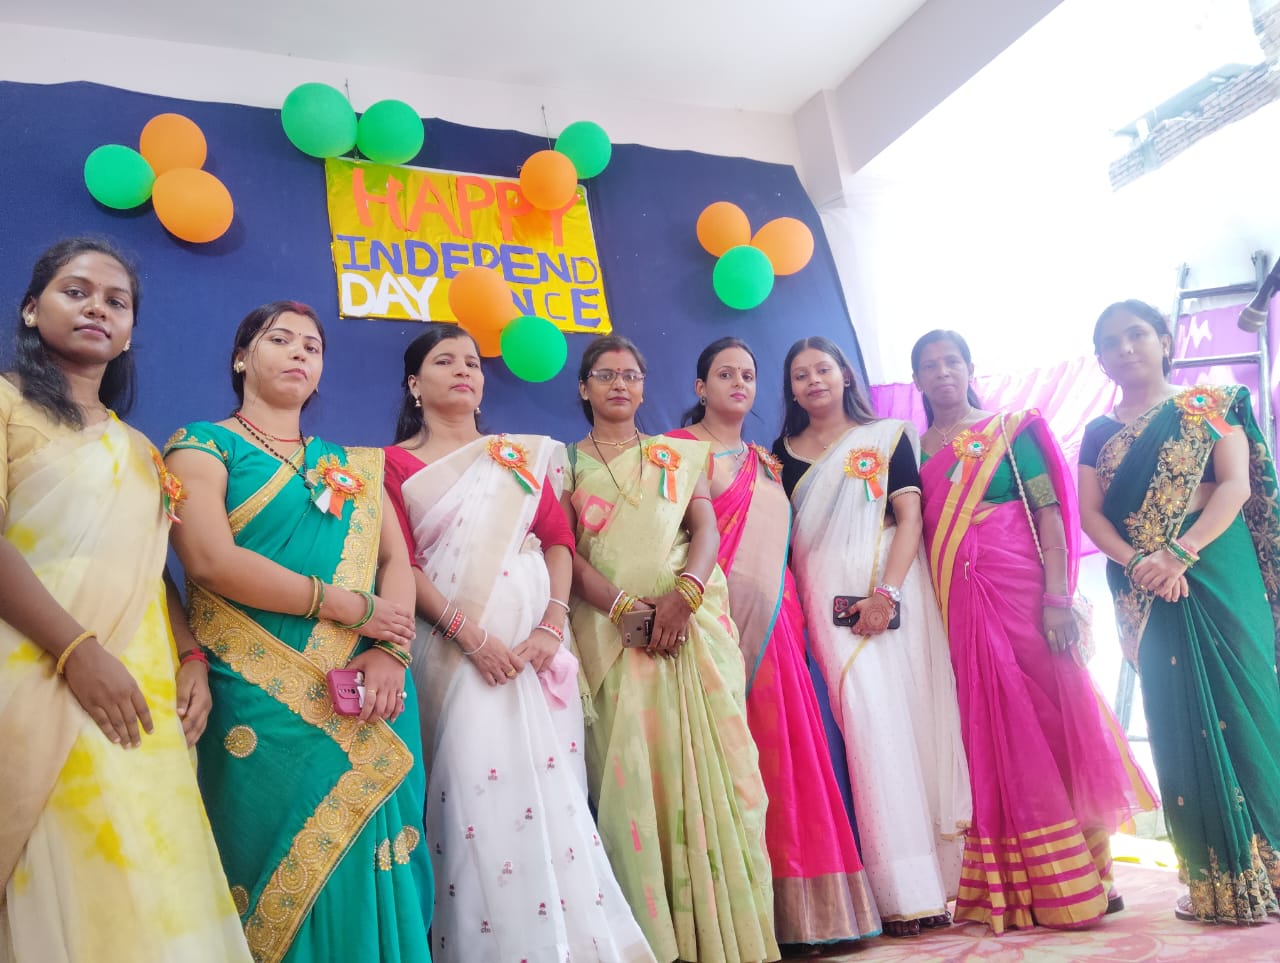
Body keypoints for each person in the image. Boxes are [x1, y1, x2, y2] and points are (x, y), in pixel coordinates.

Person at [0, 237, 250, 961]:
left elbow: (149, 569)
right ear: (31, 309)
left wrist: (191, 655)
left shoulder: (140, 447)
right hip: (37, 670)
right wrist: (77, 653)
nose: (97, 309)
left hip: (138, 689)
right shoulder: (6, 404)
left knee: (151, 873)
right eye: (75, 291)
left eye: (116, 301)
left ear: (131, 331)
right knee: (66, 865)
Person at [165, 301, 434, 962]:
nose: (298, 353)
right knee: (267, 858)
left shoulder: (353, 465)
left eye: (311, 347)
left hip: (367, 691)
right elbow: (208, 559)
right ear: (241, 357)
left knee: (378, 860)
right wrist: (345, 606)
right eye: (279, 339)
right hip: (257, 694)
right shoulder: (203, 445)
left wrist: (392, 651)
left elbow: (398, 563)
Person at [382, 324, 654, 962]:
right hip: (455, 658)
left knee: (553, 796)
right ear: (414, 384)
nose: (464, 371)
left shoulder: (519, 456)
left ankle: (570, 945)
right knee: (475, 800)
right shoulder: (390, 466)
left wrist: (551, 626)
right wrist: (470, 637)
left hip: (536, 657)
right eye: (444, 361)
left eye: (472, 363)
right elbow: (402, 565)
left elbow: (559, 540)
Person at [912, 329, 1156, 934]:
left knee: (1055, 720)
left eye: (952, 362)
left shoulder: (1009, 430)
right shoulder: (911, 450)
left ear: (970, 368)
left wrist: (1056, 599)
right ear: (916, 380)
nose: (942, 373)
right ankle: (1019, 883)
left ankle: (1092, 875)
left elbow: (1047, 512)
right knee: (988, 731)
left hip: (1023, 595)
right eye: (929, 366)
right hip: (956, 607)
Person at [563, 334, 779, 963]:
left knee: (723, 779)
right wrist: (622, 607)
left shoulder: (678, 456)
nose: (620, 385)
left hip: (693, 632)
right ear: (584, 388)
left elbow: (704, 527)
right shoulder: (563, 464)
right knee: (634, 782)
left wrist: (685, 595)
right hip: (612, 638)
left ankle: (732, 939)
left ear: (644, 387)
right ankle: (658, 943)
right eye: (606, 375)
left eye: (631, 375)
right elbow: (564, 551)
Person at [666, 337, 880, 946]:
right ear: (700, 387)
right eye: (724, 374)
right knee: (729, 757)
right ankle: (737, 917)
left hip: (777, 624)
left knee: (784, 752)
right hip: (709, 622)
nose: (739, 383)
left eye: (749, 375)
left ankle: (803, 914)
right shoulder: (675, 451)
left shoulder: (768, 464)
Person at [1079, 300, 1280, 925]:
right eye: (1110, 342)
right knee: (1177, 717)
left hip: (1216, 564)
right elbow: (1091, 515)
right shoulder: (1098, 432)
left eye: (1137, 334)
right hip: (1144, 582)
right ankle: (1217, 881)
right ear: (1100, 358)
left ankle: (1274, 864)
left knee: (1249, 703)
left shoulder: (1209, 404)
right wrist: (1141, 561)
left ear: (1165, 341)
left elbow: (1236, 485)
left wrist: (1178, 553)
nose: (1125, 348)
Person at [771, 335, 971, 939]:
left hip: (894, 597)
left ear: (845, 376)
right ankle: (898, 891)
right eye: (801, 374)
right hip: (824, 604)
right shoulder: (778, 455)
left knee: (910, 724)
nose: (813, 381)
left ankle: (936, 885)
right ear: (792, 389)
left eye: (823, 369)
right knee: (867, 731)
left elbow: (910, 519)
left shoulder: (887, 437)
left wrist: (886, 594)